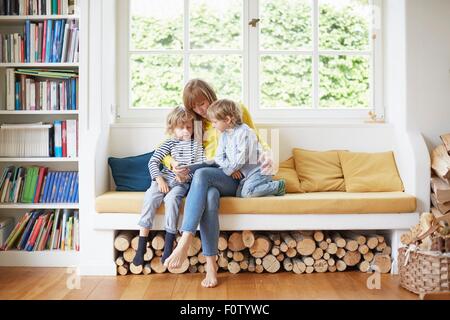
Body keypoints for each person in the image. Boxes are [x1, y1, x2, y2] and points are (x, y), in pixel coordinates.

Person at [163, 79, 273, 288]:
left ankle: (185, 240)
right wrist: (173, 163)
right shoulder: (194, 123)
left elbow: (257, 138)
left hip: (234, 177)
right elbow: (165, 147)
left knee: (203, 174)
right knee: (210, 194)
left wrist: (267, 155)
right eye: (193, 106)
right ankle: (211, 267)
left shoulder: (232, 110)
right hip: (209, 179)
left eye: (202, 103)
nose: (200, 110)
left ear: (211, 95)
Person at [131, 106, 205, 270]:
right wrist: (159, 179)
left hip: (181, 184)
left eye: (189, 127)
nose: (185, 131)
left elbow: (200, 169)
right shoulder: (169, 143)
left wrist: (185, 177)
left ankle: (169, 243)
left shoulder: (197, 146)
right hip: (162, 180)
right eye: (181, 127)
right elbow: (153, 162)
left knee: (172, 200)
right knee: (150, 198)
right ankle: (142, 244)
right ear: (173, 128)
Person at [207, 98, 285, 198]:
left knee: (247, 193)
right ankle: (261, 185)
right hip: (245, 174)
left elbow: (241, 157)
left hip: (259, 170)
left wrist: (231, 169)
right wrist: (230, 169)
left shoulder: (245, 132)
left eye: (214, 122)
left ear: (227, 120)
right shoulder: (224, 136)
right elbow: (218, 157)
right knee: (239, 194)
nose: (213, 126)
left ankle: (278, 186)